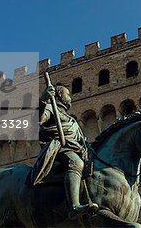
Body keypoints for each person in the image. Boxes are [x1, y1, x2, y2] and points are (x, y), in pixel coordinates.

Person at [32, 84, 98, 219]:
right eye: (68, 94)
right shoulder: (51, 108)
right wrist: (43, 100)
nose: (70, 97)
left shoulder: (71, 119)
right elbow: (38, 119)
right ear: (59, 96)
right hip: (59, 148)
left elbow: (81, 140)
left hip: (75, 148)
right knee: (76, 163)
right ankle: (74, 206)